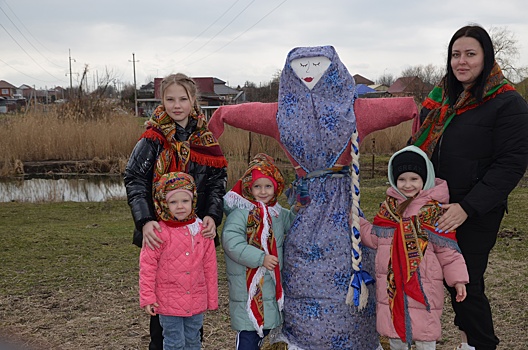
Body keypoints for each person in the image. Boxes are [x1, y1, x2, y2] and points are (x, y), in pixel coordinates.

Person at [209, 45, 418, 350]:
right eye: (301, 67)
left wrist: (221, 116)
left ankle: (333, 337)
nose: (308, 73)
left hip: (323, 206)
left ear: (332, 68)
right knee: (310, 265)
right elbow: (408, 107)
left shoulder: (295, 114)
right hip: (319, 207)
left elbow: (405, 108)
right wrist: (223, 115)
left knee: (340, 263)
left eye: (317, 65)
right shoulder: (345, 112)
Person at [411, 25, 528, 350]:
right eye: (455, 54)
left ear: (486, 57)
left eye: (470, 54)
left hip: (475, 211)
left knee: (465, 282)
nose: (461, 61)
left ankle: (480, 343)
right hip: (435, 204)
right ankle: (466, 342)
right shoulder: (443, 100)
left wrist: (467, 207)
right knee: (441, 280)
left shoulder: (507, 104)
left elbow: (511, 165)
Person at [124, 73, 227, 349]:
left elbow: (218, 182)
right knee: (162, 317)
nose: (176, 104)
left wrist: (212, 216)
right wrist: (145, 221)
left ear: (194, 100)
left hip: (196, 232)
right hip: (161, 232)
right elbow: (134, 178)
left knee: (193, 318)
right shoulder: (152, 138)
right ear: (162, 101)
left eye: (183, 98)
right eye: (170, 99)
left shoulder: (206, 138)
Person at [359, 145, 469, 350]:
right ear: (394, 179)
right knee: (395, 336)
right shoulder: (388, 209)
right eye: (402, 179)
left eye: (414, 179)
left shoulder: (434, 213)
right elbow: (375, 238)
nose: (407, 185)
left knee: (425, 336)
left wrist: (458, 280)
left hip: (424, 288)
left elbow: (449, 252)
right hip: (392, 290)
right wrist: (357, 222)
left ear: (425, 179)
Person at [221, 153, 298, 350]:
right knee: (248, 335)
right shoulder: (240, 213)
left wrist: (299, 207)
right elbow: (232, 243)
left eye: (268, 186)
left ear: (276, 187)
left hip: (271, 285)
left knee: (265, 330)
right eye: (257, 186)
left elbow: (294, 225)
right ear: (249, 186)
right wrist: (260, 258)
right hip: (248, 288)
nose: (263, 191)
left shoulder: (277, 213)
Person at [139, 172, 218, 350]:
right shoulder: (158, 232)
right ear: (164, 204)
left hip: (196, 300)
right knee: (174, 343)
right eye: (173, 202)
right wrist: (147, 298)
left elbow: (210, 266)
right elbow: (147, 267)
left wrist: (211, 298)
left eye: (185, 201)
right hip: (168, 302)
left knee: (193, 341)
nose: (180, 206)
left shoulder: (201, 230)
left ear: (193, 201)